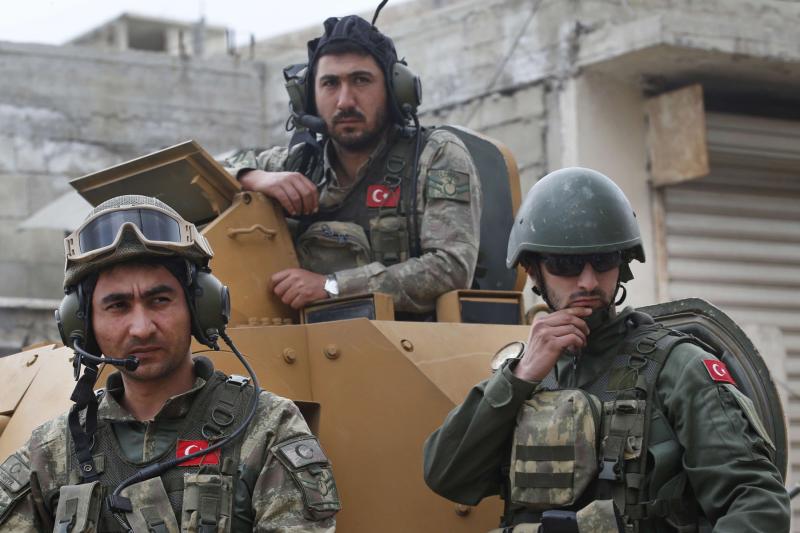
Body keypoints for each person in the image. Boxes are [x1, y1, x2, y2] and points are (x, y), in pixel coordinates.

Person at [422, 167, 790, 532]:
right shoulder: (524, 375)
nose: (588, 281)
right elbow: (446, 475)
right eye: (565, 264)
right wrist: (520, 378)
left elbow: (756, 503)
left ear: (623, 266)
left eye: (603, 261)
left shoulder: (678, 368)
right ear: (533, 271)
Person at [0, 195, 340, 532]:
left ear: (199, 308)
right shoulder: (54, 449)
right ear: (83, 325)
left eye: (159, 300)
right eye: (117, 306)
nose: (142, 328)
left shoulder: (265, 426)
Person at [225, 14, 481, 315]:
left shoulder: (435, 155)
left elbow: (450, 267)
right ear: (308, 97)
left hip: (412, 344)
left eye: (361, 80)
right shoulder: (295, 163)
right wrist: (251, 177)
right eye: (330, 83)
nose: (345, 101)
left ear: (395, 89)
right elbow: (196, 175)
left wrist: (331, 286)